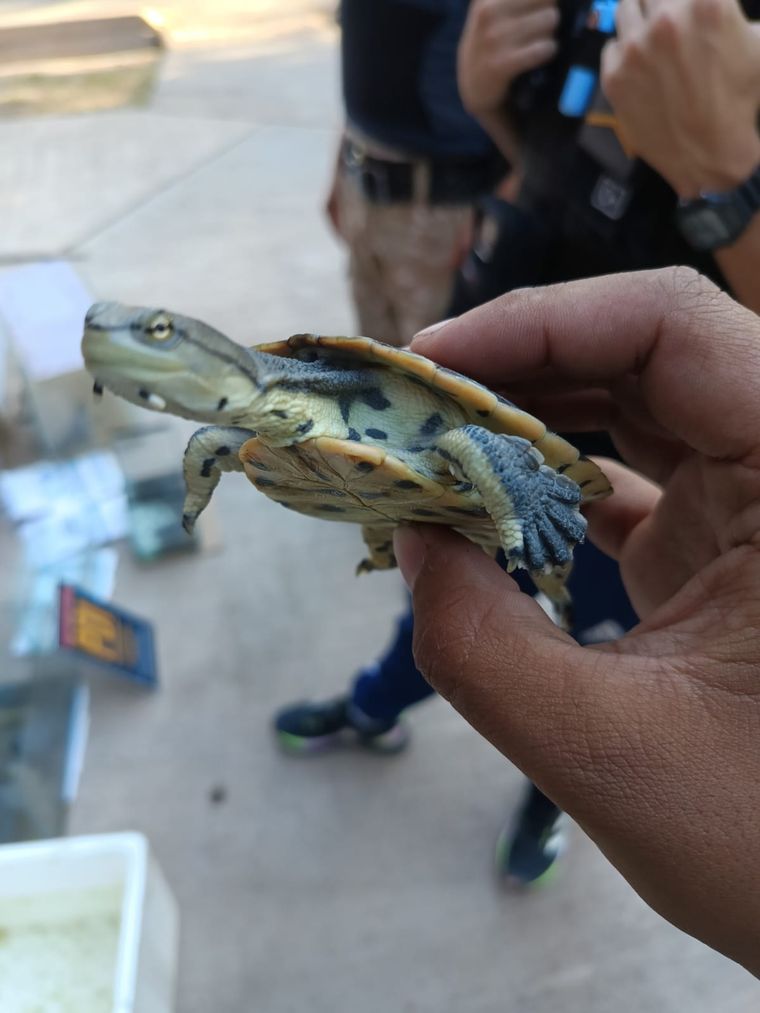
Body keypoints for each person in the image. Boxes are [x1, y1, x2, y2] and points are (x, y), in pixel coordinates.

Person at [275, 0, 760, 886]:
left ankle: (557, 791)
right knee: (438, 590)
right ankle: (377, 703)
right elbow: (561, 155)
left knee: (591, 649)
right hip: (508, 360)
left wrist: (727, 174)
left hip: (642, 442)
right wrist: (493, 107)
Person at [392, 266, 760, 976]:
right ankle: (377, 704)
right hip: (462, 475)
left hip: (551, 482)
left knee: (581, 650)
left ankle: (545, 806)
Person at [325, 0, 508, 346]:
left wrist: (500, 206)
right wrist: (340, 164)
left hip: (442, 212)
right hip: (361, 183)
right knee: (370, 370)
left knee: (433, 379)